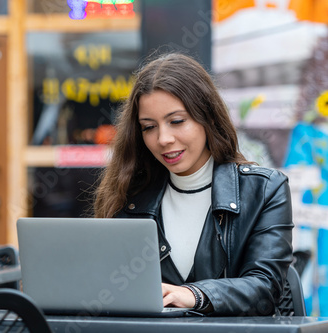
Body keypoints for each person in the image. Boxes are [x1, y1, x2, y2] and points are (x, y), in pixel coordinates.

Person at [93, 53, 293, 316]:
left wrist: (194, 295)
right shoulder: (130, 195)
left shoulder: (265, 190)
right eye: (149, 127)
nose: (163, 138)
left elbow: (265, 288)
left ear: (207, 117)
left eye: (177, 121)